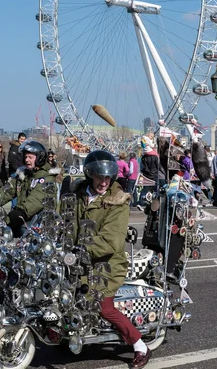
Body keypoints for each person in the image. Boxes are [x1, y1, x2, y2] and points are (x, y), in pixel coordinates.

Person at [69, 150, 151, 367]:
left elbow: (111, 241)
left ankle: (140, 345)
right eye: (99, 177)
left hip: (106, 264)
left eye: (107, 177)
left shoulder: (118, 202)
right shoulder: (78, 195)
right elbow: (66, 222)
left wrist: (81, 248)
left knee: (103, 306)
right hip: (79, 259)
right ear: (89, 174)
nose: (103, 182)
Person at [0, 141, 56, 238]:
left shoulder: (46, 178)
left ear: (39, 158)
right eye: (25, 157)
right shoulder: (23, 175)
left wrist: (20, 212)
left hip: (39, 223)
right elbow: (8, 190)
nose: (27, 160)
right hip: (23, 217)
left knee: (23, 232)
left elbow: (37, 199)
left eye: (30, 157)